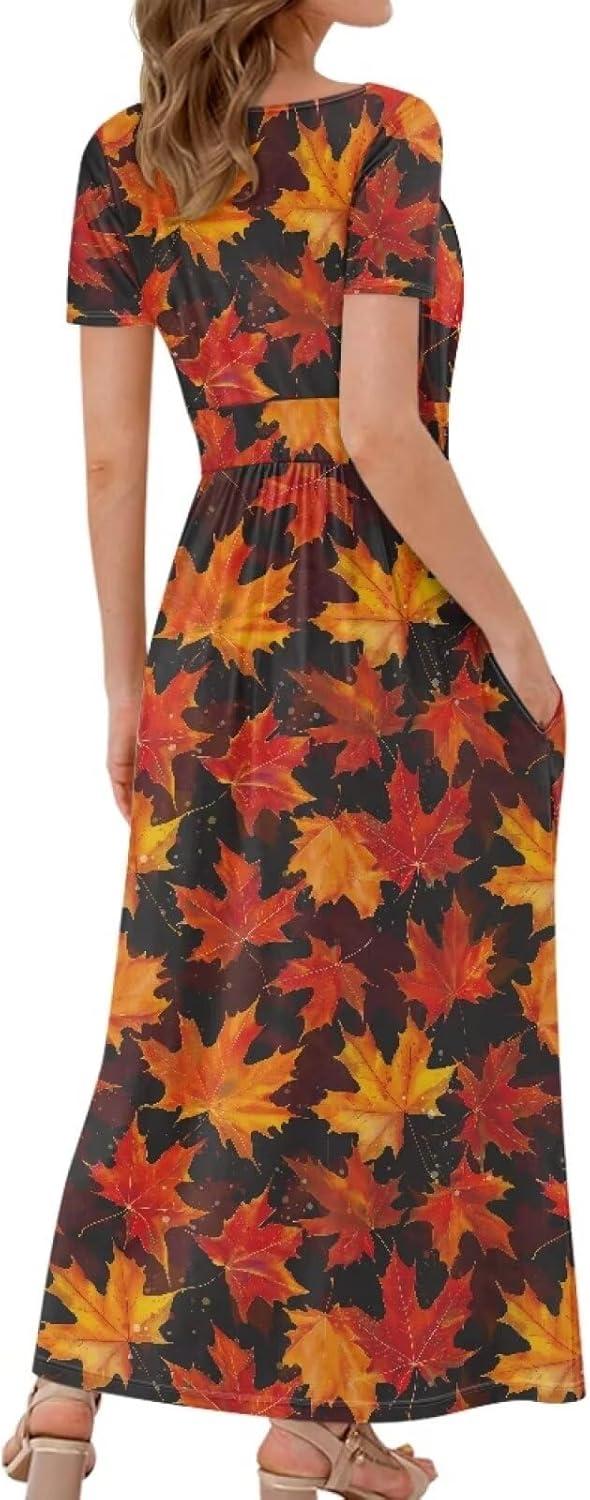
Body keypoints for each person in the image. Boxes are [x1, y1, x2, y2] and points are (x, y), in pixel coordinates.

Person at [3, 2, 585, 1498]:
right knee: (392, 1001)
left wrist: (125, 680)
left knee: (181, 997)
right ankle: (312, 1416)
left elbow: (113, 453)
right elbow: (381, 432)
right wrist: (520, 642)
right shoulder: (381, 128)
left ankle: (73, 1403)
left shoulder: (127, 154)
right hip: (385, 622)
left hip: (217, 615)